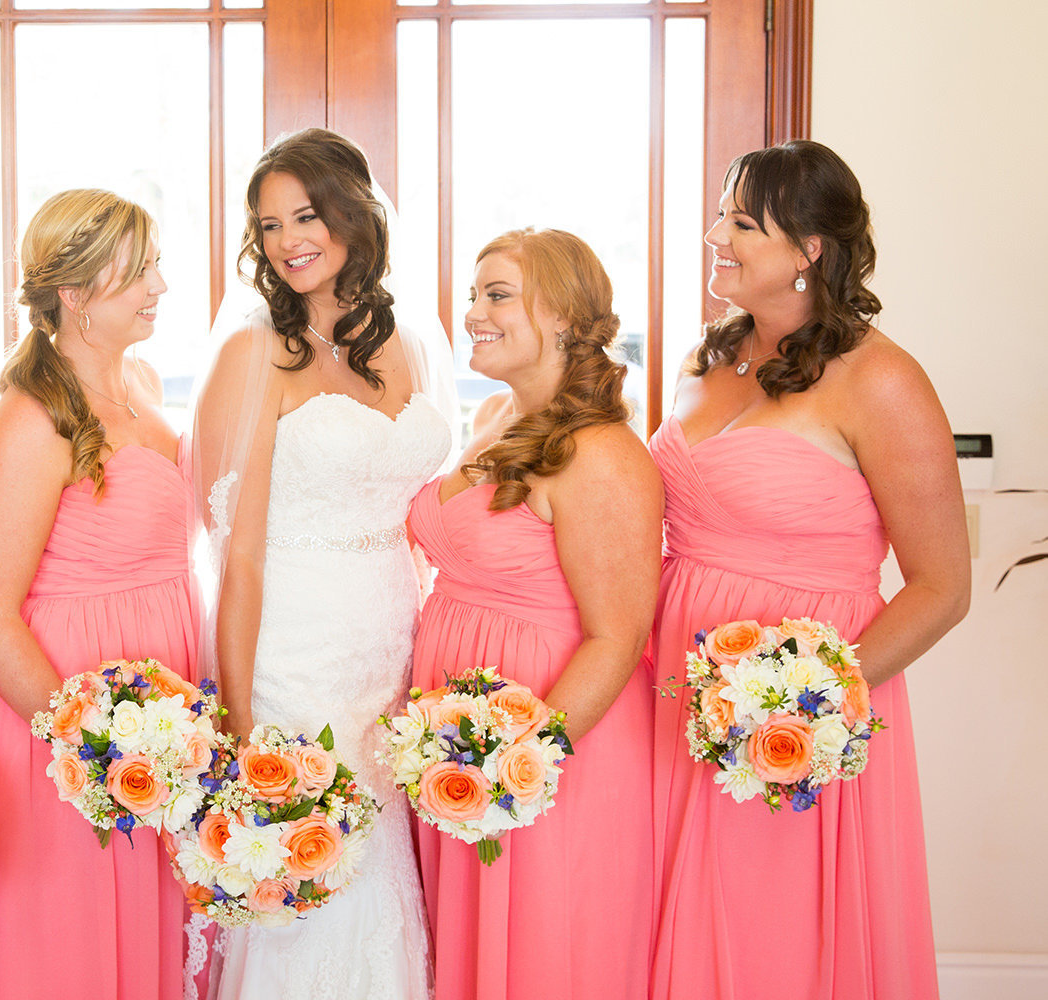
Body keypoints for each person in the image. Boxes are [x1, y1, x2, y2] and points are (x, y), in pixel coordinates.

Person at [649, 139, 969, 1000]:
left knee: (777, 935)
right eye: (721, 213)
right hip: (675, 682)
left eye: (742, 221)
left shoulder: (883, 381)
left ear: (809, 250)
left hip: (801, 697)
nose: (717, 233)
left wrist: (797, 698)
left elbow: (943, 588)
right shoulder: (707, 358)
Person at [192, 127, 451, 999]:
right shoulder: (253, 352)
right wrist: (234, 719)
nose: (288, 239)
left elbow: (430, 513)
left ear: (354, 215)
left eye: (305, 214)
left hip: (391, 642)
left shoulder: (410, 345)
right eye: (267, 225)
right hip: (291, 653)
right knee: (302, 859)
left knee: (378, 860)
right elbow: (240, 556)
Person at [0, 189, 197, 1000]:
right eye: (140, 270)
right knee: (74, 947)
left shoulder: (146, 382)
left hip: (160, 715)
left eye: (157, 263)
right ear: (75, 293)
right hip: (68, 719)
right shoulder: (28, 423)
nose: (161, 285)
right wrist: (91, 746)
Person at [410, 228, 662, 1000]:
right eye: (473, 295)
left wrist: (516, 765)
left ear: (561, 316)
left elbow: (617, 637)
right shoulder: (491, 418)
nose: (474, 313)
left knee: (548, 953)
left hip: (551, 740)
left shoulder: (602, 454)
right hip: (457, 736)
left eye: (497, 295)